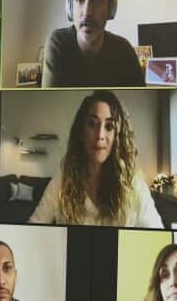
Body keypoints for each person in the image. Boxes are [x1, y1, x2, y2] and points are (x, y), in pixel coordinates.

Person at [28, 90, 163, 228]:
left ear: (118, 136)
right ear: (81, 132)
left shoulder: (134, 184)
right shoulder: (63, 180)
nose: (100, 135)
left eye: (109, 126)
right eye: (92, 124)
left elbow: (157, 233)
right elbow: (33, 226)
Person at [41, 0, 143, 88]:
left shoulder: (124, 50)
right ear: (70, 7)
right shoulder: (58, 43)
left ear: (110, 8)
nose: (88, 12)